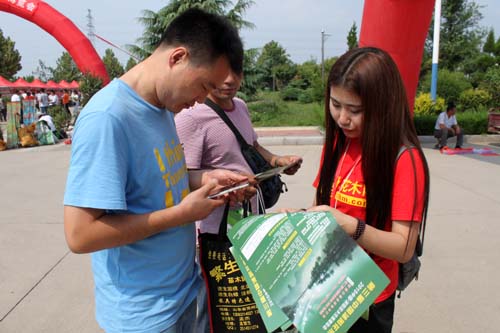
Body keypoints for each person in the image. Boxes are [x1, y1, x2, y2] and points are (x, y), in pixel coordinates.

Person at [63, 9, 248, 333]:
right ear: (178, 57)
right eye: (204, 85)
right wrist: (181, 215)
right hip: (144, 317)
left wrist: (205, 179)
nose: (202, 99)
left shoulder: (163, 108)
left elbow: (157, 180)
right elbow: (80, 235)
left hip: (186, 292)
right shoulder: (108, 119)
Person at [296, 47, 429, 333]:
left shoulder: (405, 159)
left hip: (369, 297)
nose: (342, 118)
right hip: (325, 285)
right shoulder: (338, 144)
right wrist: (296, 221)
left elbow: (403, 247)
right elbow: (321, 206)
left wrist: (349, 225)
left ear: (383, 106)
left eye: (355, 110)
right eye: (335, 105)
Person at [175, 69, 302, 332]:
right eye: (220, 72)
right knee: (214, 302)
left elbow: (252, 146)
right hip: (214, 231)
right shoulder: (191, 118)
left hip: (250, 221)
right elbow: (182, 179)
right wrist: (225, 187)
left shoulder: (241, 107)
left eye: (237, 72)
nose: (230, 80)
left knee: (247, 302)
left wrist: (277, 162)